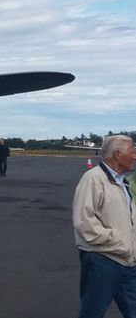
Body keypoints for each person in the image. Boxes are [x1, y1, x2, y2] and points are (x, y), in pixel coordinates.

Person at [73, 135, 136, 318]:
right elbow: (84, 222)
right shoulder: (92, 179)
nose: (134, 156)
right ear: (117, 154)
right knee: (92, 313)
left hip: (128, 261)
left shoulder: (123, 182)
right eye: (132, 152)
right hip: (103, 260)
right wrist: (117, 239)